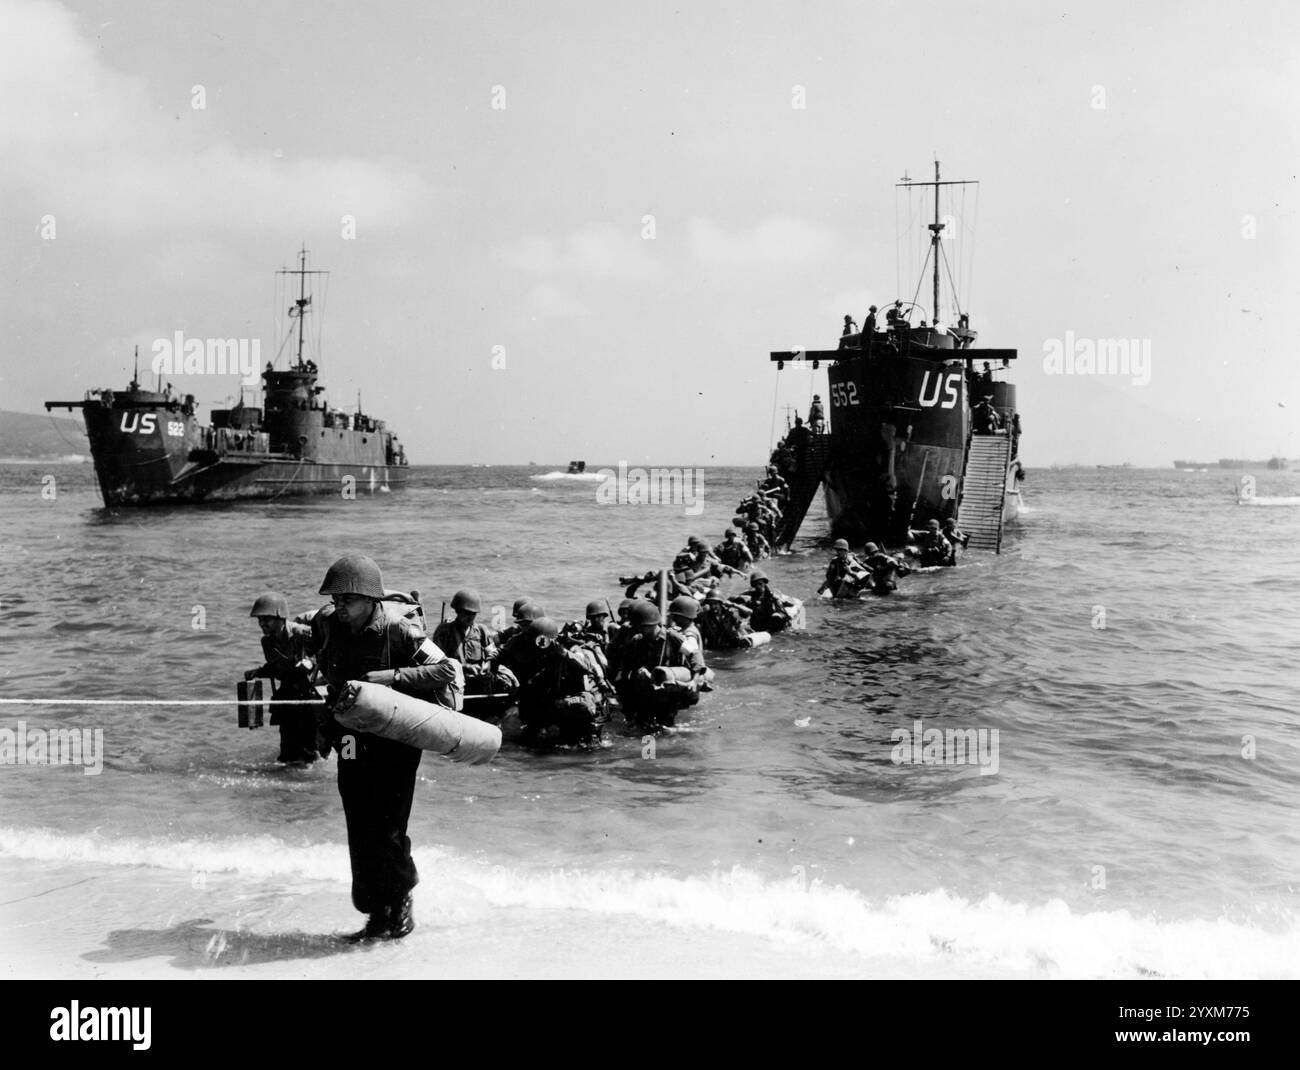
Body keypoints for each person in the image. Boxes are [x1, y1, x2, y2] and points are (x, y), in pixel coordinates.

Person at [313, 553, 465, 942]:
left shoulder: (398, 631)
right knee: (359, 824)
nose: (338, 607)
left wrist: (392, 677)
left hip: (396, 739)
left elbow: (446, 668)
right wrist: (324, 728)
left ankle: (399, 907)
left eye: (346, 600)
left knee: (388, 827)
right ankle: (375, 912)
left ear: (370, 600)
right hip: (350, 738)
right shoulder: (330, 627)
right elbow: (332, 684)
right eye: (335, 599)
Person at [496, 617, 609, 746]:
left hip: (578, 704)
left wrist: (563, 652)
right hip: (554, 701)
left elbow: (586, 666)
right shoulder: (537, 652)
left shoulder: (570, 648)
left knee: (583, 738)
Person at [244, 591, 319, 764]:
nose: (262, 624)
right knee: (287, 749)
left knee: (308, 748)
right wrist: (258, 672)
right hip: (286, 693)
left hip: (308, 693)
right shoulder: (267, 642)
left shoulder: (302, 633)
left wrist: (310, 662)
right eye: (259, 620)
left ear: (280, 617)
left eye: (266, 619)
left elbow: (324, 652)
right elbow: (277, 668)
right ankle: (288, 779)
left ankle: (308, 777)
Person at [614, 602, 707, 729]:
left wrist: (694, 681)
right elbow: (625, 667)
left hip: (667, 692)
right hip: (646, 691)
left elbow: (695, 655)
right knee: (643, 726)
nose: (639, 630)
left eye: (642, 627)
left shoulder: (672, 637)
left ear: (652, 624)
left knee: (664, 727)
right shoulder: (637, 641)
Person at [431, 589, 500, 695]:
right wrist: (464, 668)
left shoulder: (482, 631)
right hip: (454, 684)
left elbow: (492, 654)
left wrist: (487, 665)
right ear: (458, 611)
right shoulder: (444, 631)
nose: (471, 617)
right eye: (467, 613)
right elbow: (437, 661)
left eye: (473, 614)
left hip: (479, 683)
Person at [732, 569, 798, 632]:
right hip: (758, 624)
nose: (759, 586)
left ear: (764, 583)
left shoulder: (771, 595)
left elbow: (790, 604)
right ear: (754, 585)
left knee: (776, 616)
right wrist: (742, 599)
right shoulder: (749, 595)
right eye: (756, 584)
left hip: (771, 621)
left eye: (760, 583)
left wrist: (779, 600)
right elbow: (732, 598)